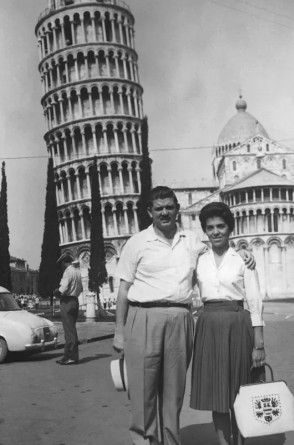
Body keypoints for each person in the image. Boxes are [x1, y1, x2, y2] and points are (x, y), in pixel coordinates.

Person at [113, 186, 255, 445]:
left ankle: (170, 441)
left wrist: (241, 252)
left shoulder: (190, 240)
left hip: (180, 318)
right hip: (143, 317)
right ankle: (145, 441)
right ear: (149, 212)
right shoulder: (136, 243)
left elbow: (218, 245)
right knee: (143, 391)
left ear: (177, 209)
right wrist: (119, 332)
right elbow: (123, 289)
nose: (164, 212)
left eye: (169, 207)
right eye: (159, 208)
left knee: (174, 392)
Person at [190, 202, 265, 445]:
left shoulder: (243, 260)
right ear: (205, 231)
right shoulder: (198, 261)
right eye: (210, 227)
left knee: (240, 391)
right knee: (217, 392)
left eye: (221, 226)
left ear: (230, 228)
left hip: (237, 324)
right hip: (209, 326)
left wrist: (259, 344)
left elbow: (254, 302)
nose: (216, 231)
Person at [53, 253, 83, 365]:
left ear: (64, 262)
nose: (61, 266)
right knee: (71, 329)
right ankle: (67, 356)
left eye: (61, 264)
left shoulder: (67, 272)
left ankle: (71, 357)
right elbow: (80, 288)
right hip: (75, 300)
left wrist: (56, 292)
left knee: (69, 331)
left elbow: (62, 289)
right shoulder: (77, 271)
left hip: (67, 301)